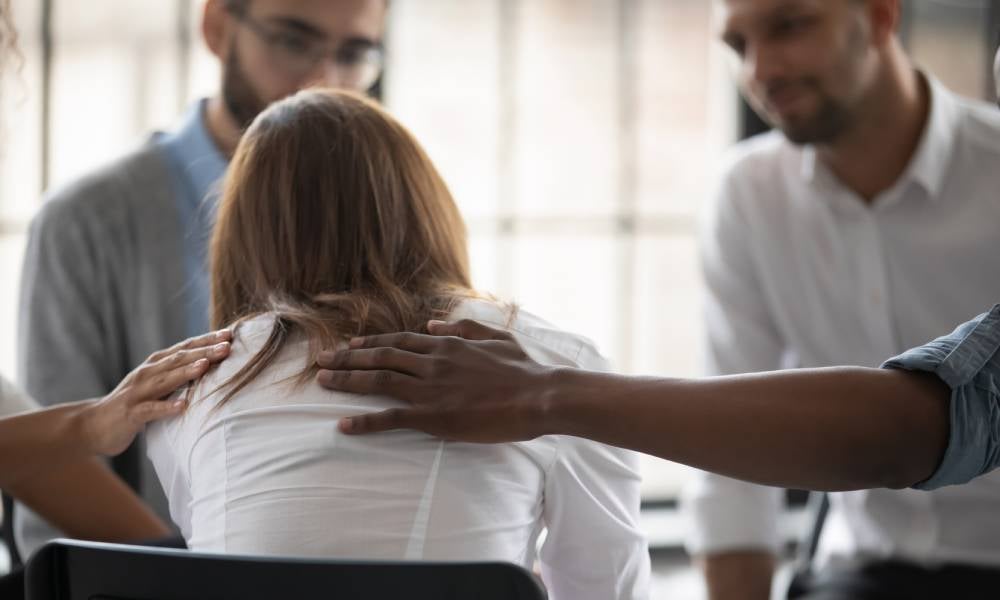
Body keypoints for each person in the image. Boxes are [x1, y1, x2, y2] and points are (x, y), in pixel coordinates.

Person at [146, 89, 650, 600]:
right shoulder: (554, 367)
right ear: (424, 208)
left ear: (244, 237)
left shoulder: (196, 385)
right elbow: (608, 589)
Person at [16, 0, 387, 554]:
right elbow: (53, 495)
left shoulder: (388, 211)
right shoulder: (86, 221)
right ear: (217, 26)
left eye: (354, 52)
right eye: (292, 40)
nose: (322, 79)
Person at [683, 0, 1000, 598]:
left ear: (881, 17)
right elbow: (732, 458)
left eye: (789, 26)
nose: (761, 70)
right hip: (862, 570)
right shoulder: (748, 195)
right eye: (738, 46)